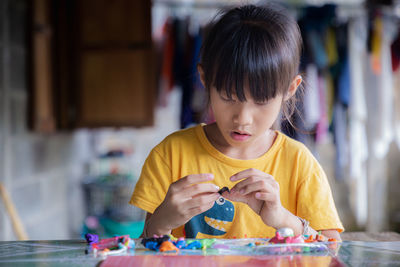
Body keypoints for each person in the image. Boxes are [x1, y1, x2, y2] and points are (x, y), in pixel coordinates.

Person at [130, 4, 343, 240]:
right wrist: (162, 222)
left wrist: (282, 219)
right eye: (228, 98)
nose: (242, 119)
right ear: (204, 79)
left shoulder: (299, 164)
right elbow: (145, 248)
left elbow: (331, 249)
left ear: (290, 89)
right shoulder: (170, 155)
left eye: (261, 101)